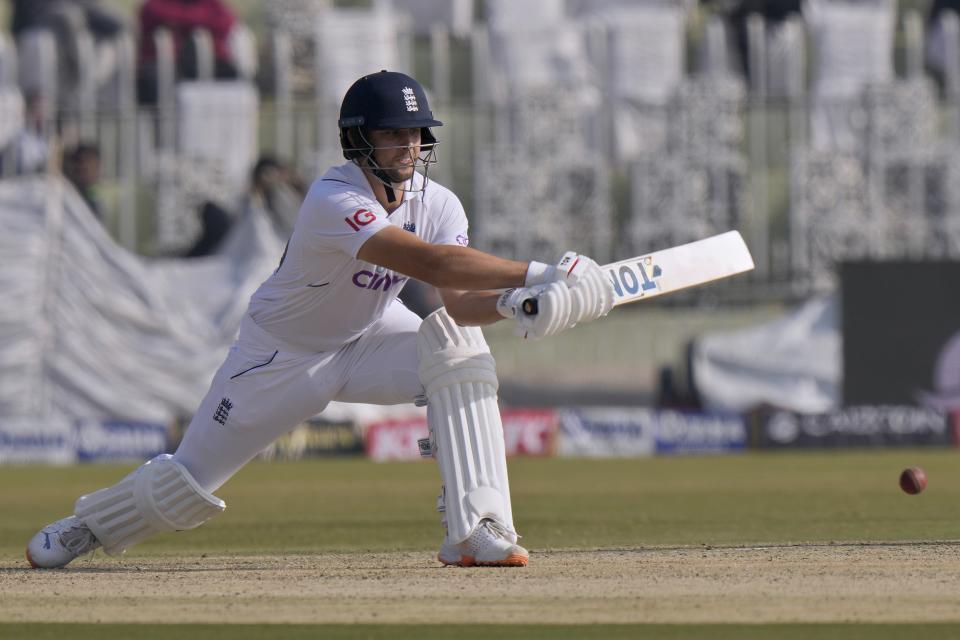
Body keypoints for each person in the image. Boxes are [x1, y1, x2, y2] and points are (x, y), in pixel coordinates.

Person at [25, 70, 615, 570]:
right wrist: (540, 272)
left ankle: (476, 528)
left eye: (416, 132)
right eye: (393, 133)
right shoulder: (333, 198)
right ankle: (88, 527)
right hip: (280, 356)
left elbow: (457, 299)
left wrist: (516, 304)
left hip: (367, 341)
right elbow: (428, 261)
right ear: (357, 141)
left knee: (460, 344)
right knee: (190, 481)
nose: (409, 146)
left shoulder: (439, 203)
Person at [136, 0, 240, 104]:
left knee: (233, 78)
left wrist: (180, 22)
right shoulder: (155, 5)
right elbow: (153, 13)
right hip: (163, 65)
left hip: (209, 62)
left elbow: (226, 21)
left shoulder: (213, 5)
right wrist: (199, 22)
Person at [62, 142, 103, 219]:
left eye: (97, 167)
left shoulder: (93, 198)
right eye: (92, 167)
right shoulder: (69, 200)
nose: (97, 172)